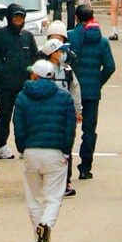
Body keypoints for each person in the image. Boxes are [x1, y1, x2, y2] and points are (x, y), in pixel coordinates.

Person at [13, 59, 76, 242]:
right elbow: (70, 127)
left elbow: (18, 126)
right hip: (55, 152)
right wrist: (66, 150)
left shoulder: (23, 97)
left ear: (34, 75)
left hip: (31, 151)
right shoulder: (64, 97)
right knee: (54, 197)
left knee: (34, 198)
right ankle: (46, 225)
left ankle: (38, 236)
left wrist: (23, 148)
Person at [66, 4, 115, 180]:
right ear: (92, 17)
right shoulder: (102, 41)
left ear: (77, 18)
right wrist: (98, 81)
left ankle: (66, 167)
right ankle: (85, 168)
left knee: (68, 128)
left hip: (71, 90)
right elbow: (110, 67)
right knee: (89, 130)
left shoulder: (70, 37)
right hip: (92, 91)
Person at [0, 2, 40, 160]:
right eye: (15, 17)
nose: (18, 20)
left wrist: (32, 72)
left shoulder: (28, 37)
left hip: (25, 85)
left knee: (23, 117)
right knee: (5, 115)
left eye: (21, 17)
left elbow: (34, 57)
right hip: (5, 85)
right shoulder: (0, 35)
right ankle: (1, 146)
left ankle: (24, 147)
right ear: (9, 18)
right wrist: (0, 69)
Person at [39, 34, 82, 196]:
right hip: (46, 115)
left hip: (65, 114)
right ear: (51, 53)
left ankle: (65, 182)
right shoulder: (42, 71)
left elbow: (75, 90)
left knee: (66, 148)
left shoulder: (68, 71)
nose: (63, 54)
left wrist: (78, 110)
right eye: (60, 51)